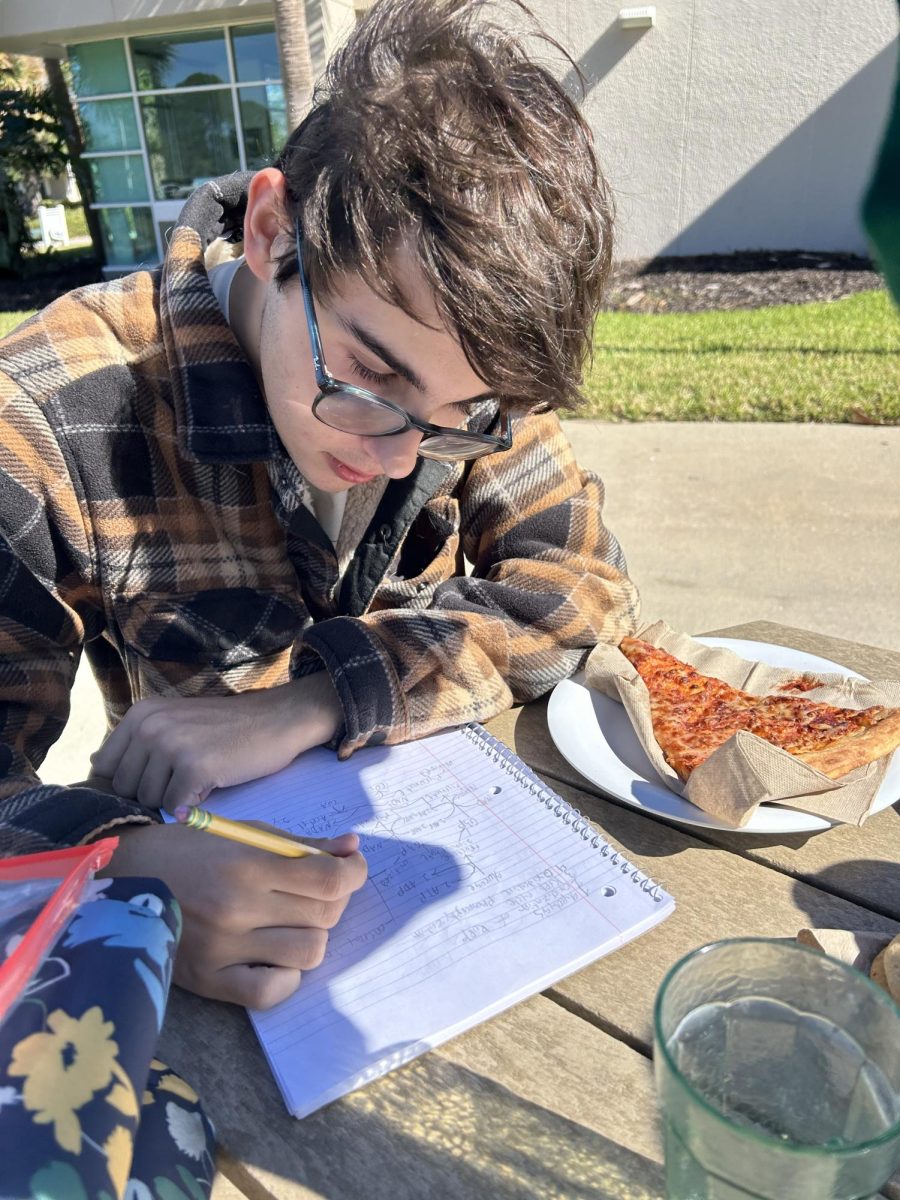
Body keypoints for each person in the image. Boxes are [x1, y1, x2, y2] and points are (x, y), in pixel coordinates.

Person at [0, 0, 639, 1007]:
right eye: (367, 380)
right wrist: (126, 874)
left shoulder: (449, 384)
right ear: (270, 230)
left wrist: (319, 699)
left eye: (463, 417)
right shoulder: (42, 417)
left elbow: (580, 585)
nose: (399, 458)